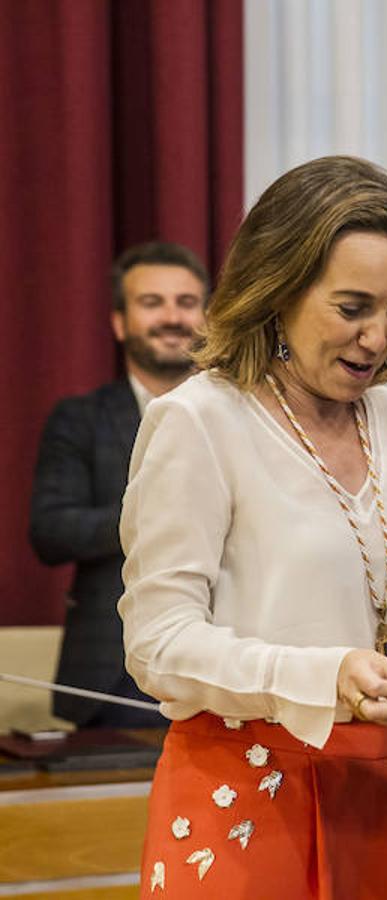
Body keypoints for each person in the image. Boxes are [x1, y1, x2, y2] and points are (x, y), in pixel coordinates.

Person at [117, 156, 387, 898]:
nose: (379, 337)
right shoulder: (198, 420)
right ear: (280, 288)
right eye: (353, 307)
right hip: (241, 804)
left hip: (382, 792)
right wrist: (320, 675)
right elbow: (157, 643)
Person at [29, 241, 208, 728]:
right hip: (112, 675)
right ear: (119, 322)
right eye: (152, 303)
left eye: (186, 303)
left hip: (223, 665)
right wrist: (154, 514)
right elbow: (51, 531)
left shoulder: (243, 416)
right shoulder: (80, 418)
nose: (172, 317)